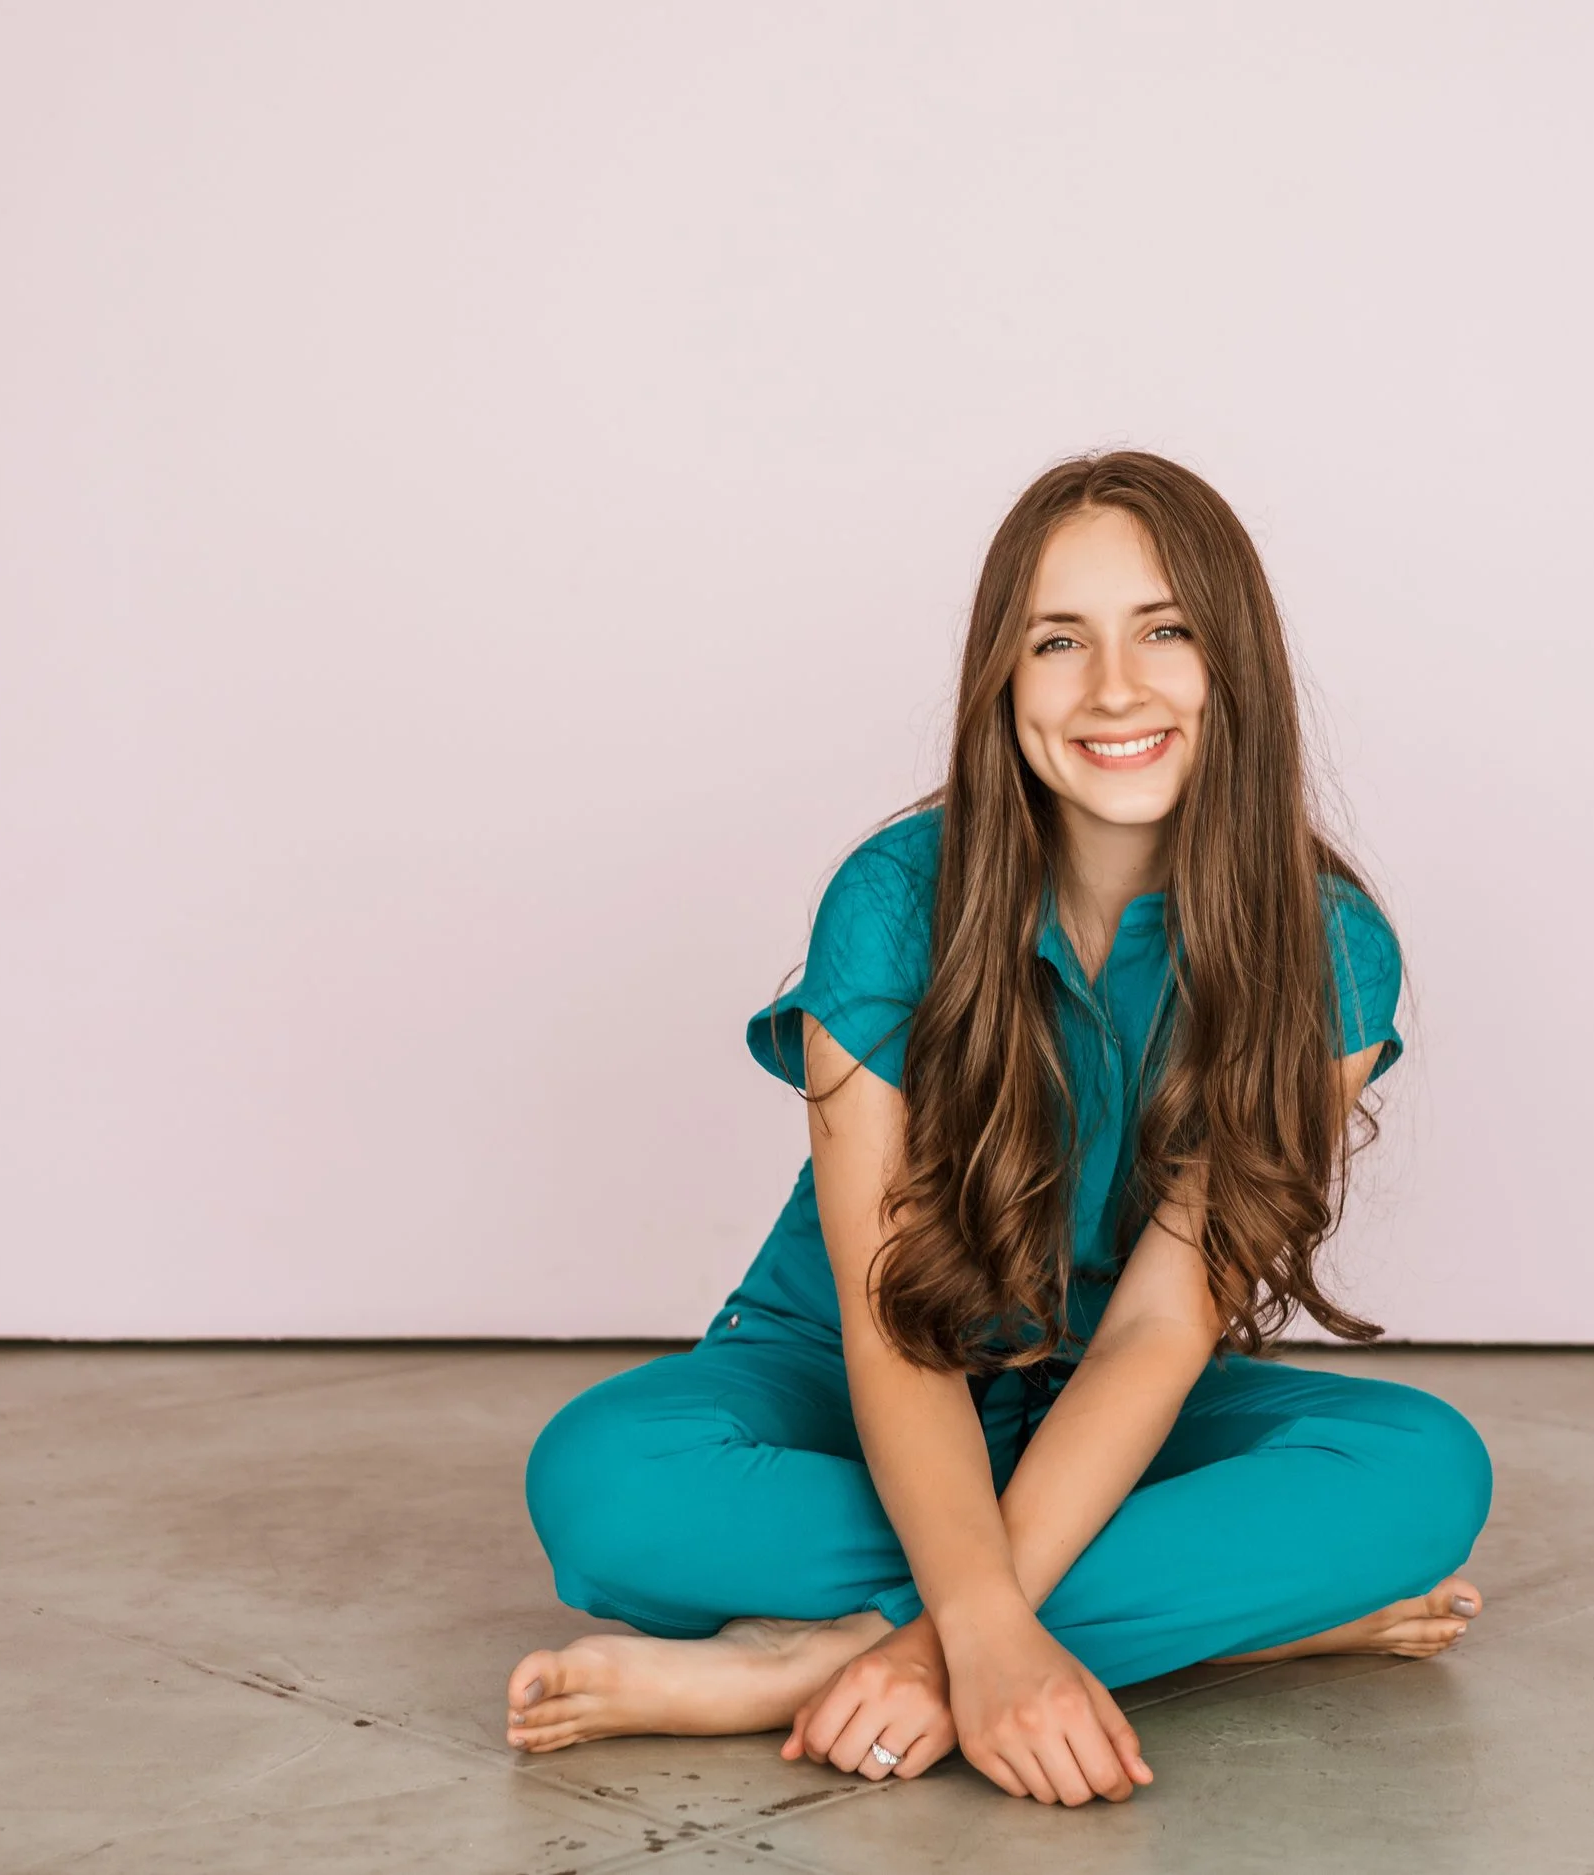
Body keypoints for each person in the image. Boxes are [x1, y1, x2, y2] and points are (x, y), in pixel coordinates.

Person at [505, 450, 1494, 1807]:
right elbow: (885, 1318)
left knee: (1422, 1472)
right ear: (1002, 683)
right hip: (858, 1371)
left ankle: (838, 1658)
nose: (1115, 690)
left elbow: (1158, 1326)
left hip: (1117, 1393)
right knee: (606, 1483)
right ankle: (1222, 1620)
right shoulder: (891, 900)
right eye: (1058, 643)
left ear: (1235, 667)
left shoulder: (1330, 950)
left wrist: (931, 1643)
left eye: (1166, 632)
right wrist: (999, 1619)